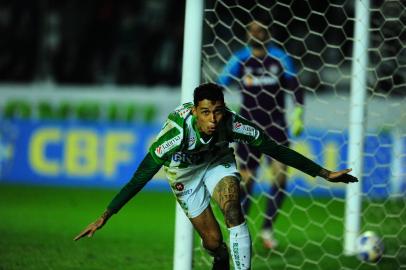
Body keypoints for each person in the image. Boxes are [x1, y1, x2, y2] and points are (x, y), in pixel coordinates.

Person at [74, 83, 358, 270]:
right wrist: (106, 214)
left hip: (217, 162)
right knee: (213, 243)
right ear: (195, 111)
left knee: (233, 210)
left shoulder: (233, 124)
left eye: (218, 112)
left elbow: (275, 149)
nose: (213, 119)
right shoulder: (175, 135)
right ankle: (220, 258)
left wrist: (324, 173)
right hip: (183, 174)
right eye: (206, 112)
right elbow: (140, 177)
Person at [218, 20, 304, 249]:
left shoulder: (279, 58)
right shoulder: (240, 59)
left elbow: (296, 87)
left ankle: (267, 229)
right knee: (246, 182)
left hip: (275, 126)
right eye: (252, 29)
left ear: (268, 33)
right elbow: (220, 85)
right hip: (247, 127)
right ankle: (240, 232)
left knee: (280, 177)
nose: (256, 32)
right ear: (247, 34)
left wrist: (298, 113)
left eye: (260, 29)